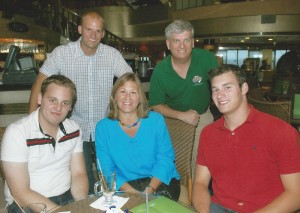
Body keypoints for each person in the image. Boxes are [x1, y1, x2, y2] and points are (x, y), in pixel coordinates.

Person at [28, 10, 133, 194]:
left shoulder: (112, 55)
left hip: (105, 125)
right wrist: (32, 123)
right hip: (75, 128)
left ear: (103, 33)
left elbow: (131, 82)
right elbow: (39, 84)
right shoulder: (62, 54)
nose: (93, 35)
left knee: (115, 174)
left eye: (98, 31)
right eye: (89, 29)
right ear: (79, 29)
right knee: (83, 177)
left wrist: (130, 115)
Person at [192, 64, 300, 213]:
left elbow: (296, 195)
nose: (220, 95)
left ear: (244, 89)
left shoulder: (280, 132)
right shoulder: (208, 134)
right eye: (215, 89)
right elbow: (200, 183)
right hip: (219, 208)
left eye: (227, 87)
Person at [1, 75, 88, 213]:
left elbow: (78, 174)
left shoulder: (74, 129)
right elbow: (20, 192)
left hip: (66, 196)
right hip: (28, 204)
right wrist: (58, 211)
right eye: (52, 100)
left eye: (65, 103)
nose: (58, 108)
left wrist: (82, 204)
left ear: (70, 107)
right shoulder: (17, 133)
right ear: (40, 98)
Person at [149, 20, 219, 178]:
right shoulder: (161, 70)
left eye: (186, 39)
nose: (182, 45)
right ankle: (179, 194)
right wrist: (182, 115)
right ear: (168, 44)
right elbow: (155, 105)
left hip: (202, 117)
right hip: (173, 120)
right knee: (175, 163)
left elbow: (220, 86)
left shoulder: (207, 59)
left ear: (193, 42)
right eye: (176, 40)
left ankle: (196, 196)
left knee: (199, 163)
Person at [95, 73, 181, 200]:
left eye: (133, 92)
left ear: (140, 97)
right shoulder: (103, 128)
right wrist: (134, 194)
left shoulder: (156, 120)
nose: (127, 97)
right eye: (123, 91)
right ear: (114, 96)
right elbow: (106, 169)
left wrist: (150, 189)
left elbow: (165, 158)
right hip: (124, 186)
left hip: (160, 181)